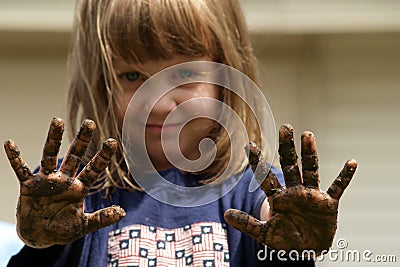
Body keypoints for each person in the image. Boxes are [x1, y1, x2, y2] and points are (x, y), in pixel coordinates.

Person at [4, 0, 357, 266]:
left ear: (226, 77)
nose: (157, 102)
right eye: (131, 76)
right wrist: (42, 244)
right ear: (99, 84)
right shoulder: (74, 191)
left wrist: (296, 246)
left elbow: (276, 223)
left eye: (184, 76)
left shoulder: (256, 188)